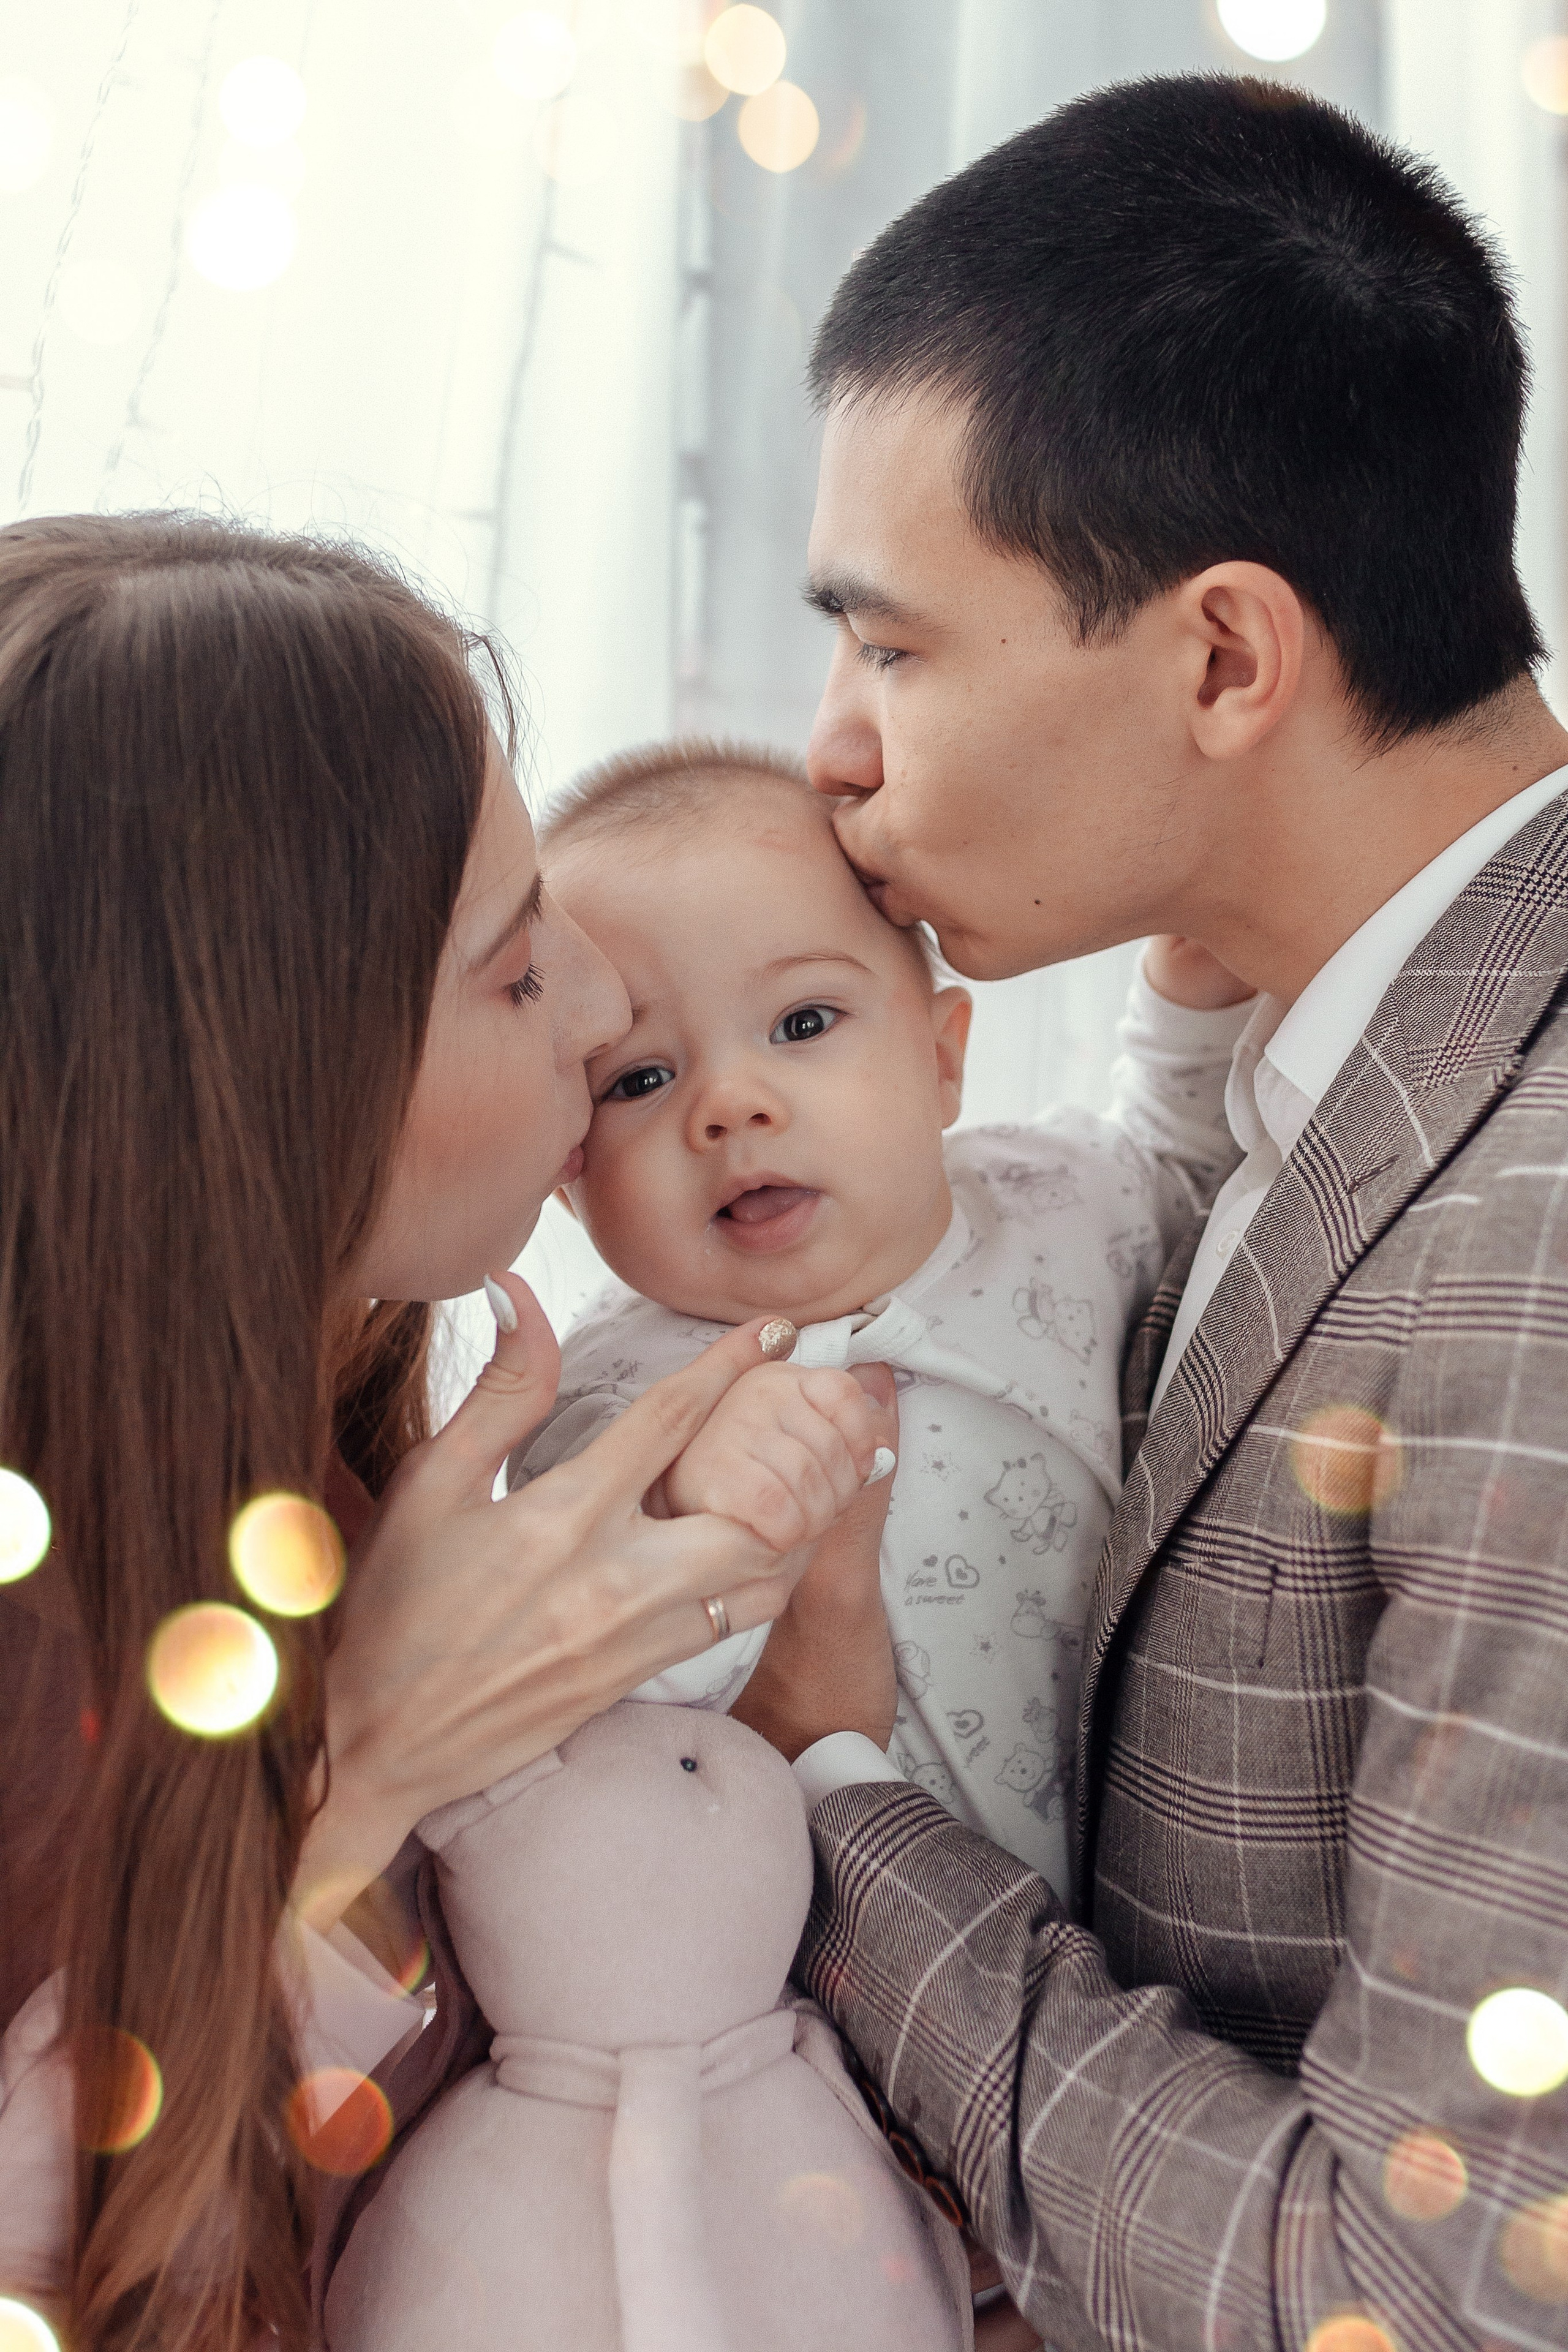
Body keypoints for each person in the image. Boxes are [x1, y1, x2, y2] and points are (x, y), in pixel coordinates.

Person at [735, 74, 1568, 2352]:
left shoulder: (1538, 1248)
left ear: (1222, 659)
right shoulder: (1356, 1025)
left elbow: (1429, 2303)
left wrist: (828, 1790)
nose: (831, 750)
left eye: (893, 647)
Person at [0, 513, 893, 2351]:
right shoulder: (49, 1644)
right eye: (511, 968)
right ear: (264, 1081)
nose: (603, 1001)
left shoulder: (318, 1462)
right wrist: (368, 1780)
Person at [510, 736, 1251, 1900]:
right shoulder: (608, 1405)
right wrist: (687, 1504)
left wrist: (1193, 994)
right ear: (568, 1174)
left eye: (803, 1022)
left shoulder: (1047, 1200)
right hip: (839, 1947)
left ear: (943, 1059)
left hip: (1139, 1887)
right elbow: (574, 1680)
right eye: (640, 1079)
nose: (731, 1106)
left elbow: (1185, 1163)